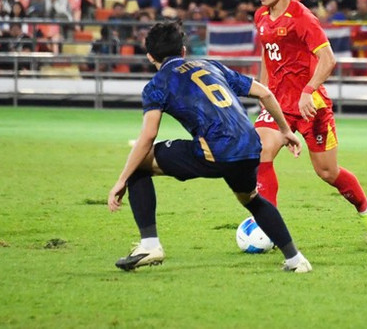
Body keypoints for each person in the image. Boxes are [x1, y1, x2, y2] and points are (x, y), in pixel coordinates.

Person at [107, 21, 312, 273]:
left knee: (139, 165)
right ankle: (295, 259)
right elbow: (265, 93)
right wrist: (285, 130)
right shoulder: (210, 65)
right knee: (251, 199)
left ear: (150, 57)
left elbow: (148, 136)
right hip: (250, 146)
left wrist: (122, 179)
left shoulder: (157, 85)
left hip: (216, 149)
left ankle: (150, 245)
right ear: (183, 50)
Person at [252, 0, 367, 244]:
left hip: (311, 106)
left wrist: (308, 91)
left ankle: (364, 206)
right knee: (261, 152)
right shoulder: (261, 16)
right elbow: (267, 53)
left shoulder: (303, 19)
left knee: (327, 171)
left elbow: (328, 59)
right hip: (278, 104)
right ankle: (269, 229)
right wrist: (263, 92)